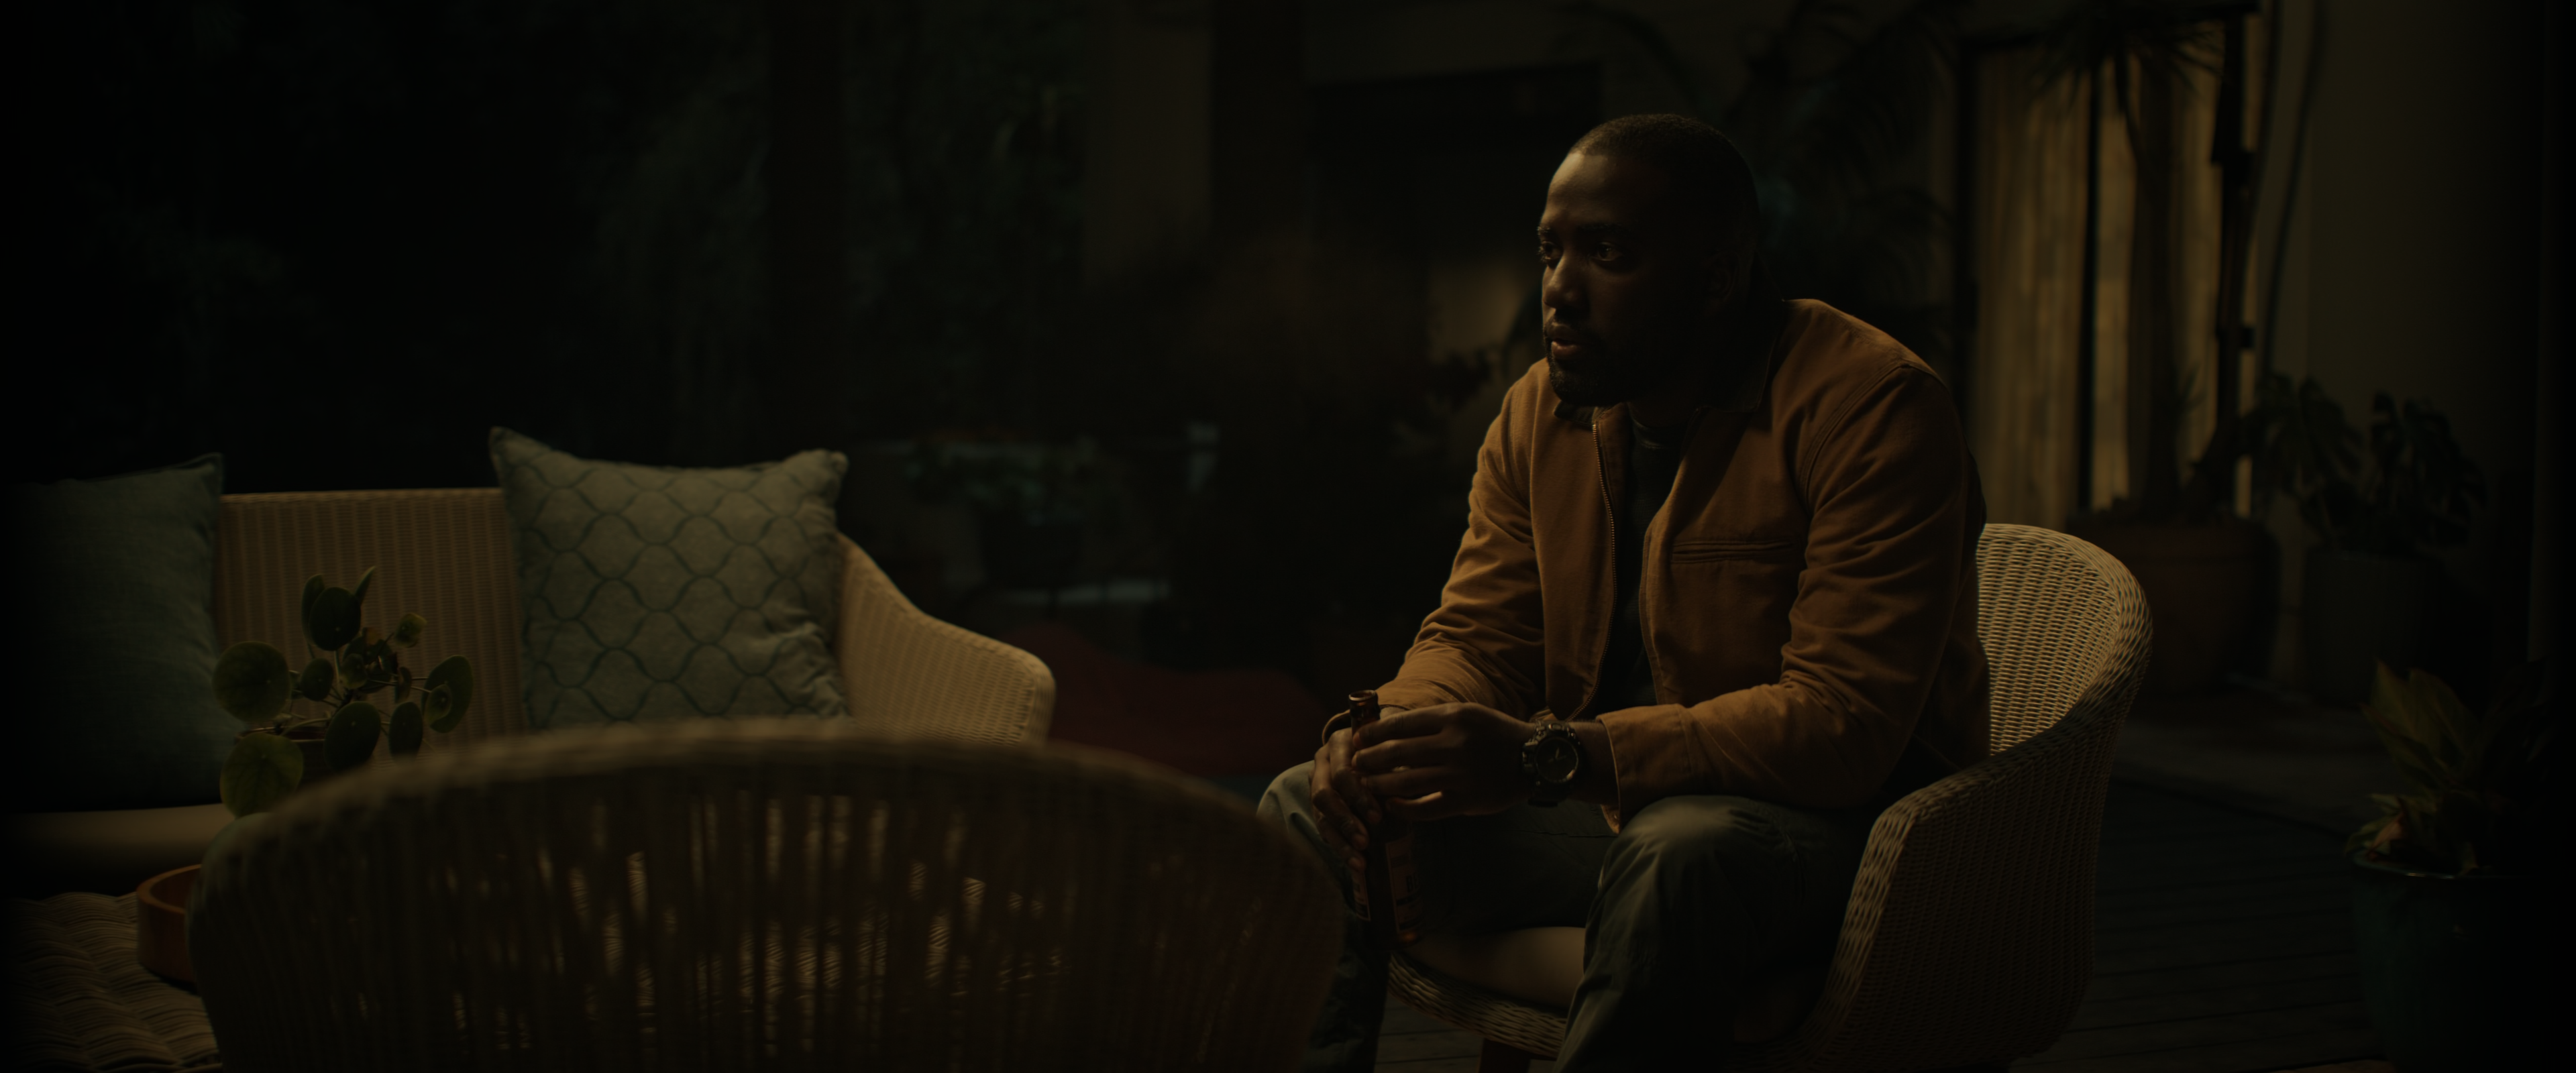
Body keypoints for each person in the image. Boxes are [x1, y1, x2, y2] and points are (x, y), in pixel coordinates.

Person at [1258, 113, 1990, 1072]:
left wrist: (1549, 759)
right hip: (1610, 810)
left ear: (1716, 278)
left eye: (1607, 253)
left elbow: (1842, 725)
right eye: (1551, 250)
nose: (1559, 290)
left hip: (1848, 834)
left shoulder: (1872, 406)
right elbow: (1480, 638)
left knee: (1677, 854)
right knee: (1308, 808)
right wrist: (1388, 734)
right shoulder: (1543, 410)